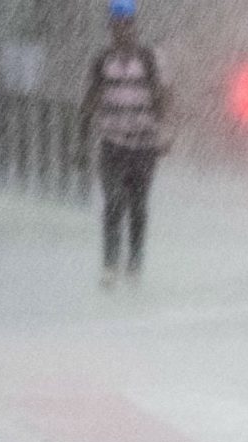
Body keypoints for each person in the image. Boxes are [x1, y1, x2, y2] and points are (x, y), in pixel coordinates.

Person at [79, 0, 172, 288]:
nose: (122, 30)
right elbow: (89, 102)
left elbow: (165, 98)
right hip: (112, 144)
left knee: (138, 206)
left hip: (144, 146)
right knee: (113, 202)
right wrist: (81, 142)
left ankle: (134, 264)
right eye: (117, 25)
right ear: (110, 28)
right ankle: (109, 265)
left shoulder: (150, 59)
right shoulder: (101, 62)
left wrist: (165, 132)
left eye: (127, 24)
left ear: (134, 26)